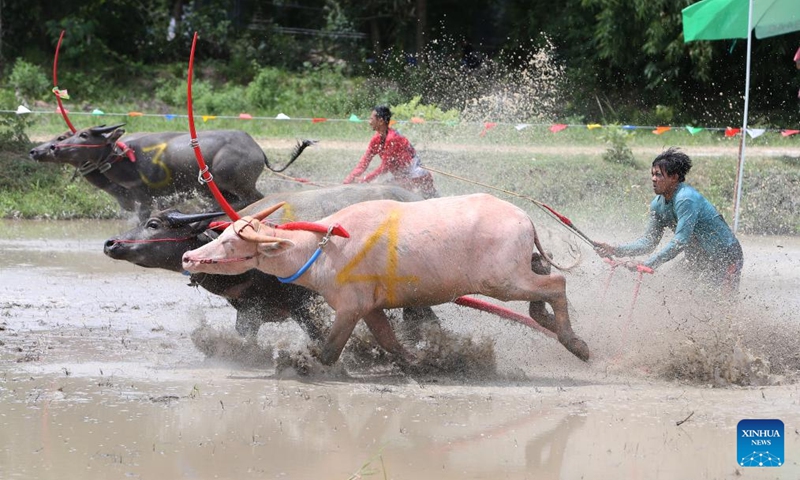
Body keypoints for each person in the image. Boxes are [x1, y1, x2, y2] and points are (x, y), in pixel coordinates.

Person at [594, 147, 743, 293]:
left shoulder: (686, 199)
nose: (653, 179)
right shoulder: (657, 205)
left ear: (674, 177)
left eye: (658, 175)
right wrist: (615, 250)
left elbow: (680, 241)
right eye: (652, 174)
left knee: (720, 304)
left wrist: (649, 263)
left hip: (725, 256)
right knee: (671, 289)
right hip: (698, 258)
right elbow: (648, 242)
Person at [343, 105, 438, 199]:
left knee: (388, 191)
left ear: (380, 121)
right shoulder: (376, 139)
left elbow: (384, 168)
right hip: (402, 176)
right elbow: (363, 163)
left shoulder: (392, 139)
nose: (369, 122)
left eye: (371, 119)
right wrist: (348, 180)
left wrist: (364, 179)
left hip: (416, 174)